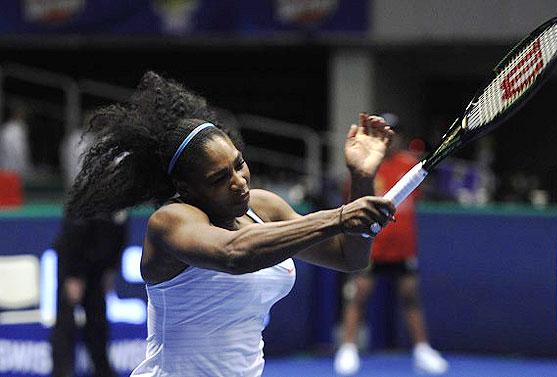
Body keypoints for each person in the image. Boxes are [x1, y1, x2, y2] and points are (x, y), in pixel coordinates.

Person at [64, 71, 396, 377]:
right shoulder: (170, 221)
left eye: (239, 164)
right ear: (187, 189)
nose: (239, 182)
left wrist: (361, 180)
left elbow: (349, 257)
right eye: (220, 178)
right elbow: (234, 254)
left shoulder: (263, 206)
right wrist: (338, 217)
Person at [334, 116, 448, 375]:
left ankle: (422, 351)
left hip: (403, 249)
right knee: (358, 297)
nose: (392, 138)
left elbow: (425, 192)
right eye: (388, 132)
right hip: (371, 248)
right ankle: (348, 349)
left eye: (396, 132)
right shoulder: (365, 169)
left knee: (411, 297)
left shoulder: (411, 166)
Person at [51, 113, 128, 377]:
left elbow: (119, 233)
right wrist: (73, 276)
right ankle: (61, 372)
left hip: (98, 265)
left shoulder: (118, 191)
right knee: (66, 321)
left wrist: (110, 269)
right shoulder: (86, 187)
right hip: (74, 261)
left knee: (97, 320)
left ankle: (102, 370)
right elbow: (74, 235)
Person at [0, 103, 32, 177]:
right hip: (13, 170)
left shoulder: (5, 128)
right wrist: (26, 169)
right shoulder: (17, 130)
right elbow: (19, 151)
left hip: (5, 168)